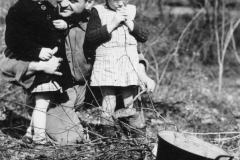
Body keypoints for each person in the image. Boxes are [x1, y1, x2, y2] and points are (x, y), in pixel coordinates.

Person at [0, 0, 155, 145]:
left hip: (89, 88)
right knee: (70, 139)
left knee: (128, 83)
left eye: (74, 1)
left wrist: (142, 72)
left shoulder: (99, 20)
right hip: (55, 93)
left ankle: (127, 131)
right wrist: (38, 66)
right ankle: (48, 130)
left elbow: (128, 51)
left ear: (88, 3)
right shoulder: (42, 19)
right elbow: (5, 63)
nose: (65, 3)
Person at [4, 0, 71, 144]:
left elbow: (54, 31)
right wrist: (36, 51)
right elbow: (13, 40)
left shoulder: (48, 6)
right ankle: (39, 139)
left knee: (42, 102)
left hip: (50, 64)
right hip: (38, 65)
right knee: (42, 103)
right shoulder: (19, 9)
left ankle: (30, 134)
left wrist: (64, 26)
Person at [84, 0, 149, 130]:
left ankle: (133, 132)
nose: (120, 4)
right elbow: (90, 38)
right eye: (116, 0)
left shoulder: (132, 10)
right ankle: (108, 135)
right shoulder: (98, 11)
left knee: (129, 99)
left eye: (124, 0)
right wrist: (113, 23)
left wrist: (129, 22)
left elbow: (143, 36)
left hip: (128, 64)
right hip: (107, 63)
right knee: (108, 99)